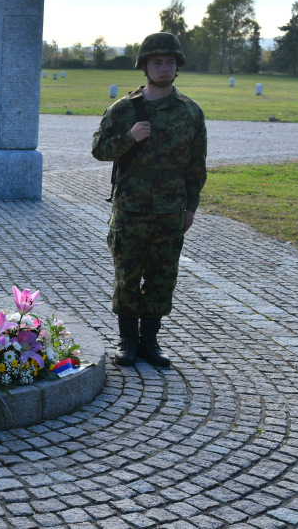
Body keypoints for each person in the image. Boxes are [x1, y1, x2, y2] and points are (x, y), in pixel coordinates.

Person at [91, 32, 206, 368]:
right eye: (157, 62)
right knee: (127, 274)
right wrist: (129, 137)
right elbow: (98, 149)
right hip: (130, 210)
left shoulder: (190, 113)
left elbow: (196, 166)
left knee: (162, 276)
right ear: (144, 66)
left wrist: (191, 207)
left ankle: (150, 341)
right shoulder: (124, 110)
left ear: (177, 66)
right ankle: (127, 341)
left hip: (170, 211)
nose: (165, 67)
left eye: (170, 62)